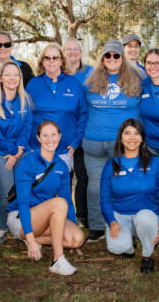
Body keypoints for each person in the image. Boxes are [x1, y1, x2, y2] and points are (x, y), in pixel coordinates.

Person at [82, 40, 142, 243]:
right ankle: (97, 227)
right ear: (102, 58)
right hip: (94, 143)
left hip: (125, 144)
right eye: (107, 55)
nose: (112, 59)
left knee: (124, 185)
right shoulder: (90, 79)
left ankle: (127, 227)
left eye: (116, 55)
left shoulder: (138, 77)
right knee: (95, 185)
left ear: (123, 58)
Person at [7, 121, 84, 276]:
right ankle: (57, 260)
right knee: (58, 204)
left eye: (54, 135)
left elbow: (68, 200)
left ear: (60, 136)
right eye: (45, 135)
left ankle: (37, 240)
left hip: (46, 217)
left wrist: (72, 225)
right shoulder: (27, 162)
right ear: (38, 138)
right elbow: (22, 203)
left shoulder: (61, 166)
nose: (50, 139)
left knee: (77, 238)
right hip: (20, 218)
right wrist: (30, 240)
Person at [100, 119, 159, 273]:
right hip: (120, 215)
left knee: (144, 218)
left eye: (136, 133)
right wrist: (111, 221)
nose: (132, 138)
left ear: (142, 138)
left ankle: (147, 256)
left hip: (146, 215)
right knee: (116, 248)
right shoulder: (110, 165)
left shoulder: (155, 163)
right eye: (127, 133)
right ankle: (129, 244)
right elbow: (104, 199)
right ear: (121, 138)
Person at [0, 31, 35, 210]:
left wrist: (18, 150)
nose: (2, 48)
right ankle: (1, 223)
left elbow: (27, 125)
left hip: (16, 142)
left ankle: (23, 220)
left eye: (6, 44)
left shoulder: (24, 69)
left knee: (22, 182)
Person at [0, 61, 33, 244]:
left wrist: (18, 151)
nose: (12, 78)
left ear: (20, 78)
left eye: (16, 75)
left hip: (19, 149)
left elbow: (27, 128)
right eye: (8, 75)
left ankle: (25, 223)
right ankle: (1, 227)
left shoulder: (25, 100)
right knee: (8, 189)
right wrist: (13, 150)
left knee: (29, 182)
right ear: (1, 78)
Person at [26, 43, 87, 172]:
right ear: (42, 61)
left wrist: (76, 141)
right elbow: (25, 116)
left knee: (63, 190)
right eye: (47, 58)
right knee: (39, 189)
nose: (51, 61)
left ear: (61, 60)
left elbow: (83, 114)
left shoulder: (74, 84)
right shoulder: (33, 84)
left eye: (55, 57)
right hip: (37, 149)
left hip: (65, 151)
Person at [63, 38, 93, 227]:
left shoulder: (91, 72)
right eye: (68, 49)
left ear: (81, 52)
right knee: (64, 178)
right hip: (64, 134)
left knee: (83, 177)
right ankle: (64, 214)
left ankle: (82, 215)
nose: (72, 52)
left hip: (84, 133)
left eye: (76, 49)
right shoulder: (59, 73)